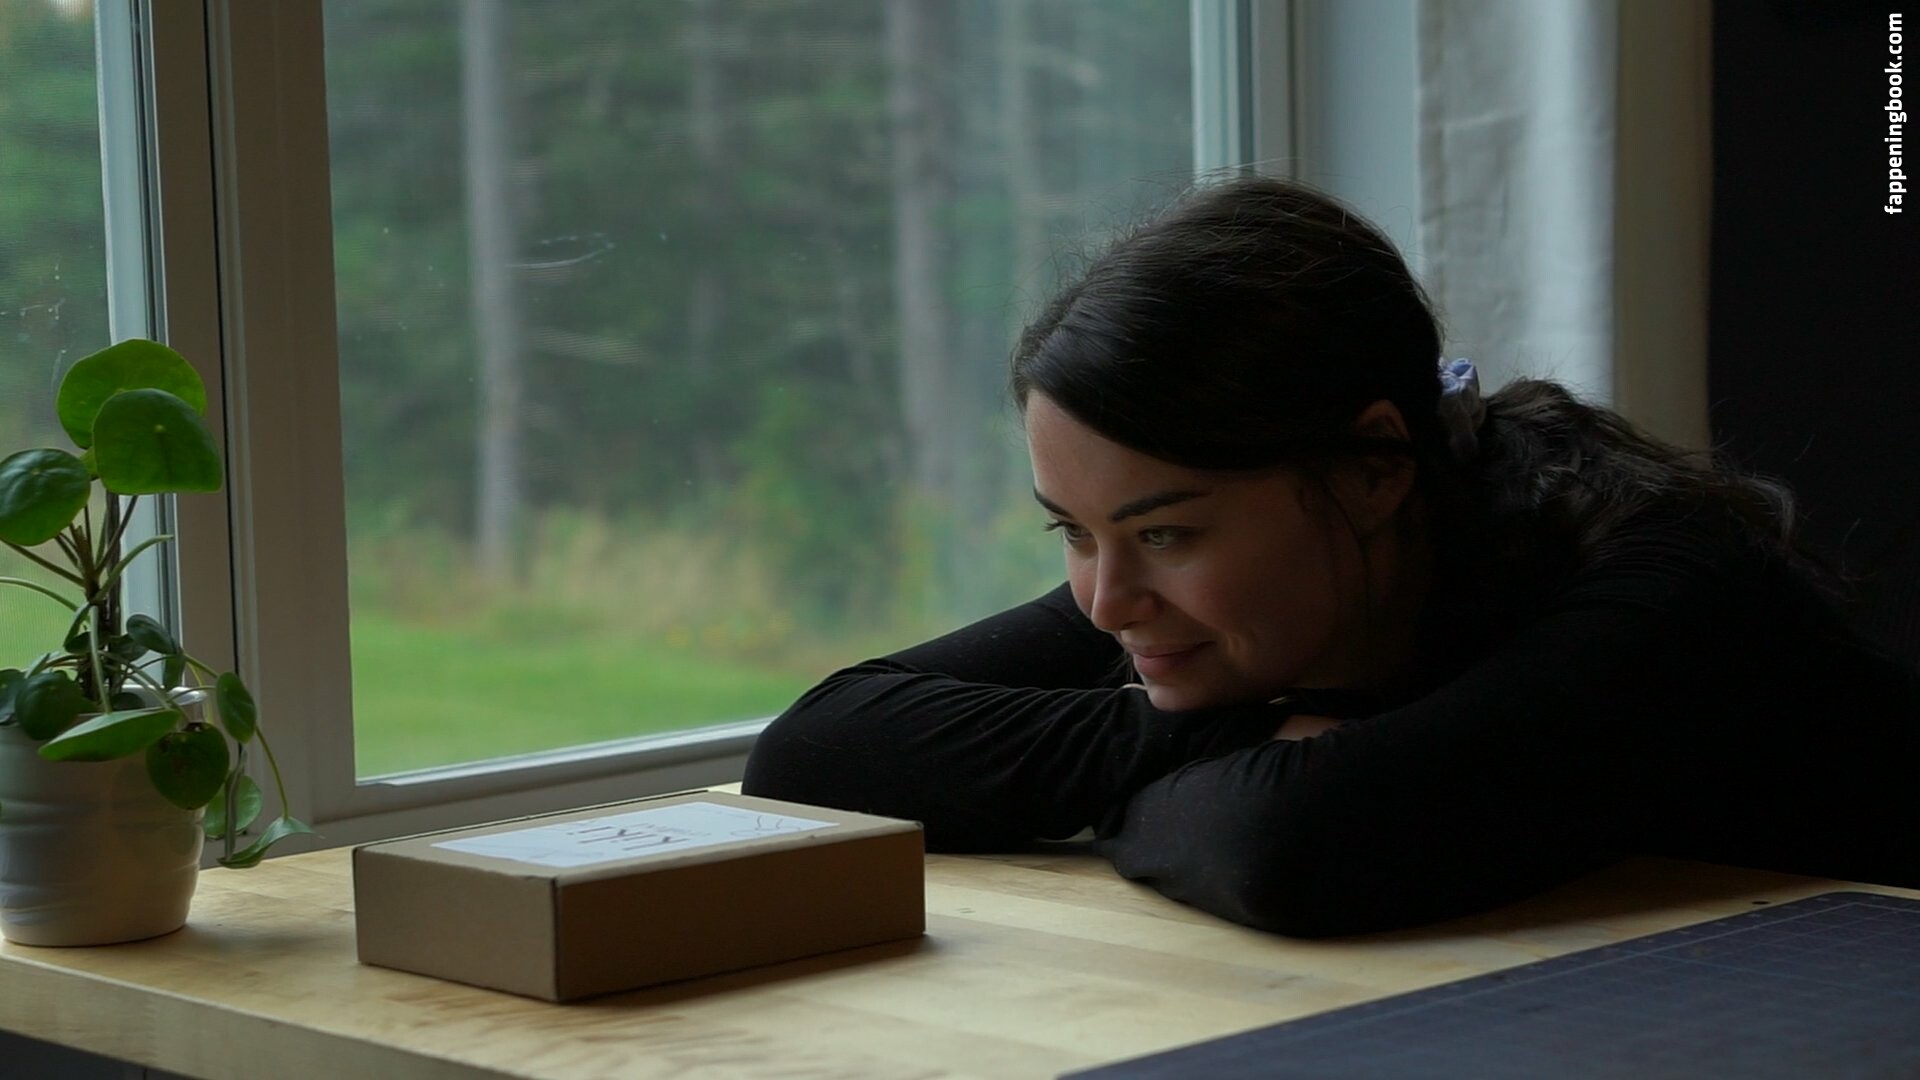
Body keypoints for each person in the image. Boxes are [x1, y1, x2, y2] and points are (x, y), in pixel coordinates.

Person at [741, 176, 1920, 936]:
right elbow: (820, 751)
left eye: (1164, 533)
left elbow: (1284, 843)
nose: (1106, 603)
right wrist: (1231, 737)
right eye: (1073, 533)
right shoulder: (1231, 604)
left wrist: (1179, 775)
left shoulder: (1664, 588)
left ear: (1372, 468)